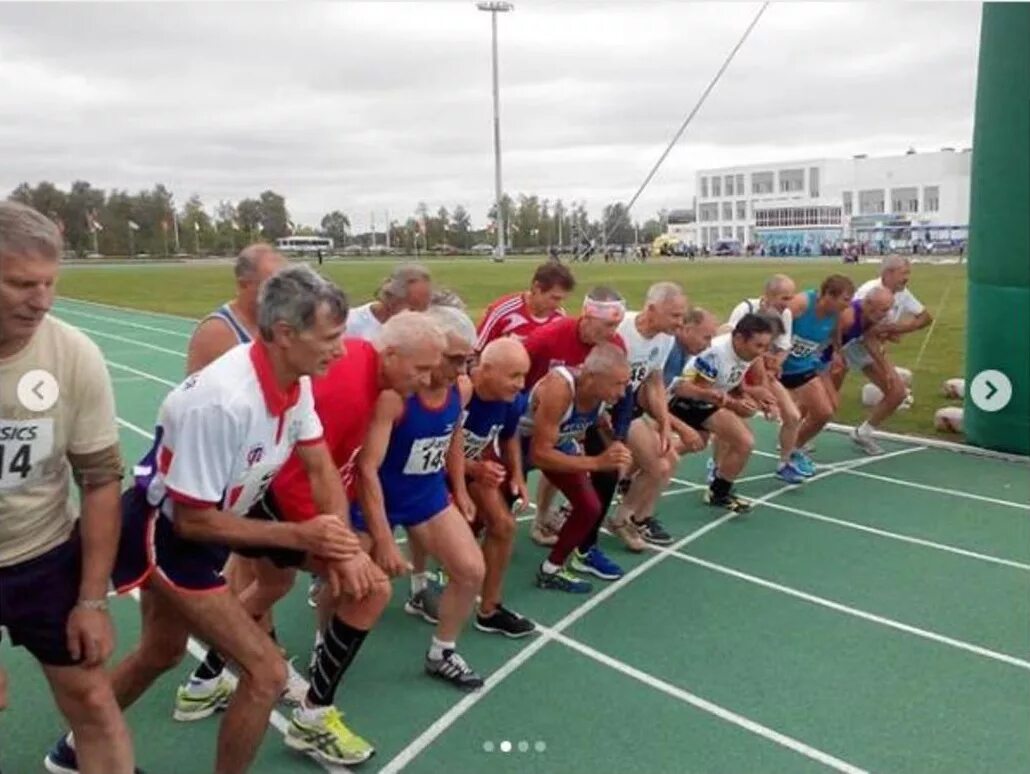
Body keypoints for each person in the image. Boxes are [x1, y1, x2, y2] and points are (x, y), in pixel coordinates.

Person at [48, 266, 368, 774]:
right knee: (265, 672)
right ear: (286, 334)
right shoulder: (222, 401)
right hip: (168, 535)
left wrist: (343, 548)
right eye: (330, 337)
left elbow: (320, 464)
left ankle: (71, 750)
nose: (342, 350)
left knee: (161, 652)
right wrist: (301, 535)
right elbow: (194, 523)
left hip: (203, 531)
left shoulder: (294, 378)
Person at [173, 310, 441, 765]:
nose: (427, 379)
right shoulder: (347, 386)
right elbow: (298, 475)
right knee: (371, 589)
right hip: (273, 498)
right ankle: (313, 719)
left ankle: (202, 684)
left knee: (275, 585)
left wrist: (349, 532)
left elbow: (337, 467)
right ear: (391, 354)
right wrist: (334, 547)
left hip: (274, 496)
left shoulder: (372, 377)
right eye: (421, 368)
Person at [0, 201, 135, 774]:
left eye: (49, 283)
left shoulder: (73, 354)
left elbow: (100, 479)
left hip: (42, 555)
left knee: (95, 703)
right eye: (21, 284)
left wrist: (91, 599)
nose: (41, 299)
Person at [180, 243, 310, 707]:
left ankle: (233, 667)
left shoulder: (283, 331)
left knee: (264, 578)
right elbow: (196, 414)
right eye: (273, 283)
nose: (284, 292)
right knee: (259, 579)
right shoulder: (219, 333)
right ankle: (241, 666)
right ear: (244, 284)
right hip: (223, 485)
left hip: (262, 473)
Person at [352, 305, 487, 690]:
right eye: (455, 359)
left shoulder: (461, 388)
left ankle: (442, 651)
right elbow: (367, 468)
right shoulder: (395, 397)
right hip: (378, 496)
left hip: (426, 493)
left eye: (468, 360)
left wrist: (459, 488)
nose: (461, 370)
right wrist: (381, 538)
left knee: (471, 570)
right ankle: (323, 646)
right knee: (346, 584)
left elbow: (453, 434)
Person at [519, 343, 634, 593]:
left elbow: (597, 421)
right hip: (518, 443)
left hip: (556, 444)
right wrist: (597, 462)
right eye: (618, 384)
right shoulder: (560, 389)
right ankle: (448, 570)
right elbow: (539, 455)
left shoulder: (601, 396)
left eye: (625, 384)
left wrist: (616, 448)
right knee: (495, 516)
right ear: (592, 377)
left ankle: (551, 570)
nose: (623, 392)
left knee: (589, 506)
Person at [584, 281, 687, 555]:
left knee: (668, 460)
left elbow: (653, 382)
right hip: (602, 407)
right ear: (652, 310)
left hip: (625, 408)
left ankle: (627, 517)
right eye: (675, 315)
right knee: (655, 466)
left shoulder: (666, 339)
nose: (680, 322)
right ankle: (616, 518)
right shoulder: (622, 330)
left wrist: (664, 423)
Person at [521, 286, 627, 547]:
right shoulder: (547, 338)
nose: (612, 332)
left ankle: (579, 545)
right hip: (526, 424)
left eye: (617, 325)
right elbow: (515, 374)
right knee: (506, 500)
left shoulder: (615, 346)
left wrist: (618, 436)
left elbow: (624, 389)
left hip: (578, 419)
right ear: (587, 317)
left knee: (604, 476)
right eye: (607, 325)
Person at [668, 314, 779, 512]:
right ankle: (718, 492)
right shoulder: (715, 354)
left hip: (705, 399)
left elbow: (732, 382)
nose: (762, 352)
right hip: (686, 399)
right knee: (744, 440)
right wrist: (737, 405)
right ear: (739, 339)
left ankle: (639, 467)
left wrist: (751, 396)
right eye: (758, 346)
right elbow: (703, 395)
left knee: (697, 443)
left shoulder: (745, 353)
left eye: (765, 346)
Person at [462, 337, 535, 637]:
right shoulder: (460, 394)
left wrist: (517, 474)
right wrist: (474, 468)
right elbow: (429, 448)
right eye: (514, 375)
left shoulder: (512, 401)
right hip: (425, 471)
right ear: (486, 370)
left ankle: (489, 609)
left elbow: (509, 436)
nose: (521, 384)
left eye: (524, 375)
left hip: (471, 467)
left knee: (504, 526)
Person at [725, 274, 809, 483]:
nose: (788, 304)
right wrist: (763, 365)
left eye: (791, 298)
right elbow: (731, 343)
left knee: (792, 415)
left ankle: (785, 463)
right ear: (768, 296)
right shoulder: (745, 309)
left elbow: (784, 346)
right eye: (784, 298)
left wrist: (775, 364)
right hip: (736, 372)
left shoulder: (785, 314)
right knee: (731, 419)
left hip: (764, 370)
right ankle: (717, 466)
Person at [852, 256, 932, 453]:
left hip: (870, 348)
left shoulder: (902, 293)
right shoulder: (867, 292)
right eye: (904, 273)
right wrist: (883, 338)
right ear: (888, 273)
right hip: (847, 346)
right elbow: (865, 332)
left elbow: (926, 317)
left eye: (908, 273)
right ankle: (797, 436)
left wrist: (897, 328)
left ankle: (863, 433)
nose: (907, 278)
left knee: (897, 392)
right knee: (826, 400)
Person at [779, 275, 855, 460]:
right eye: (845, 299)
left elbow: (835, 330)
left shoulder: (836, 314)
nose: (848, 305)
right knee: (789, 415)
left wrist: (837, 351)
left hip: (801, 366)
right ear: (829, 295)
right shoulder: (801, 304)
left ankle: (794, 449)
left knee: (824, 412)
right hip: (776, 366)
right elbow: (773, 324)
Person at [185, 243, 287, 374]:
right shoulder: (216, 334)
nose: (282, 295)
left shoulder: (283, 322)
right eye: (272, 287)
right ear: (243, 284)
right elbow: (196, 393)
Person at [474, 262, 575, 350]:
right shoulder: (503, 310)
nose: (557, 305)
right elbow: (475, 351)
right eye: (554, 298)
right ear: (537, 288)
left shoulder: (559, 318)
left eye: (562, 299)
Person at [344, 263, 432, 339]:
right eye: (413, 309)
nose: (419, 316)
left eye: (423, 309)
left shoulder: (423, 329)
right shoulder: (348, 325)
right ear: (392, 299)